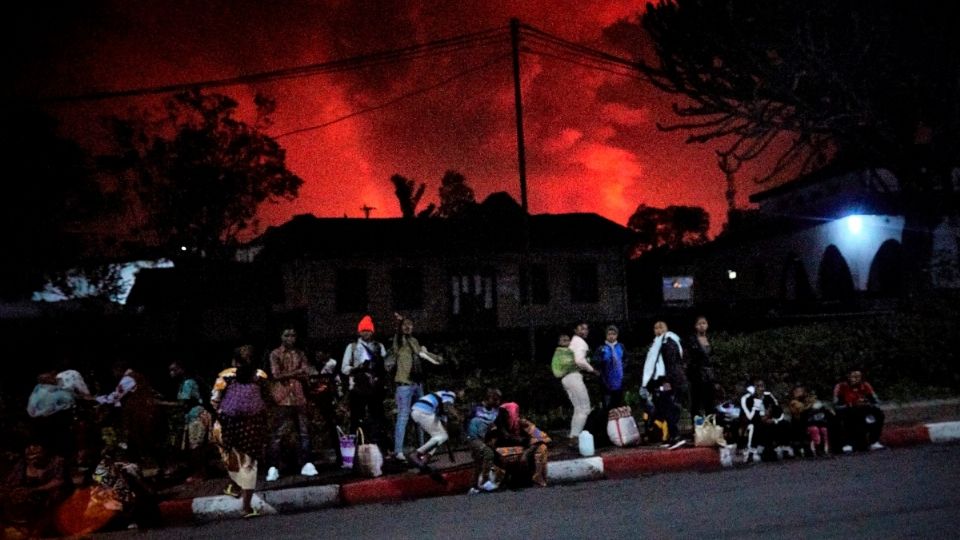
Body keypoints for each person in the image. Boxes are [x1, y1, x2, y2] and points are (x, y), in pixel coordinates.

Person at [212, 349, 270, 518]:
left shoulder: (225, 376)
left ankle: (234, 485)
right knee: (249, 465)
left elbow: (214, 399)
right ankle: (246, 506)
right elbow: (268, 397)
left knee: (232, 456)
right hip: (252, 424)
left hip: (229, 423)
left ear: (234, 362)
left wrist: (222, 415)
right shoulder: (260, 376)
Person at [266, 328, 317, 481]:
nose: (290, 338)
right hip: (282, 397)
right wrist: (296, 373)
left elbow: (306, 371)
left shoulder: (300, 353)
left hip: (299, 397)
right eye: (286, 335)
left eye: (293, 335)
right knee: (278, 434)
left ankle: (307, 463)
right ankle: (273, 467)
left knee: (304, 432)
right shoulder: (275, 354)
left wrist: (293, 374)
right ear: (281, 337)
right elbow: (276, 375)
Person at [94, 362, 160, 467]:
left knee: (139, 437)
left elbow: (116, 396)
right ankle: (141, 462)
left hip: (138, 412)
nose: (114, 375)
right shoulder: (138, 376)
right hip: (145, 410)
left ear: (119, 369)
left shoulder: (128, 379)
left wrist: (99, 400)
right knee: (140, 437)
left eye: (114, 372)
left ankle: (151, 462)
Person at [0, 441, 70, 538]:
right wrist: (14, 490)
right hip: (29, 497)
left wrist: (33, 490)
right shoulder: (22, 463)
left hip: (49, 496)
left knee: (55, 498)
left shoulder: (57, 461)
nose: (32, 449)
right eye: (29, 447)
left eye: (36, 447)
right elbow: (11, 481)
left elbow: (59, 481)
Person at [341, 315, 388, 448]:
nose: (365, 333)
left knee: (378, 418)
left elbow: (385, 366)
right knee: (356, 419)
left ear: (372, 332)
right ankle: (355, 448)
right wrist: (357, 369)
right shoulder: (352, 347)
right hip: (357, 388)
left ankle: (379, 447)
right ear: (359, 332)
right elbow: (344, 368)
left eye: (368, 330)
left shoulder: (379, 346)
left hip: (375, 388)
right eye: (363, 330)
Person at [161, 361, 212, 481]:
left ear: (182, 369)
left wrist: (160, 403)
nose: (171, 373)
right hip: (194, 416)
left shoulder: (188, 383)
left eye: (174, 370)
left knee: (196, 448)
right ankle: (201, 471)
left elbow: (182, 403)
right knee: (196, 447)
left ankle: (201, 473)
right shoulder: (185, 383)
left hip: (196, 416)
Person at [641, 321, 687, 448]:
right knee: (662, 406)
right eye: (655, 327)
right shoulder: (657, 343)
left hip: (668, 381)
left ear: (666, 328)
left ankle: (675, 436)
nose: (658, 330)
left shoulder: (668, 342)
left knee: (668, 405)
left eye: (661, 327)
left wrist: (667, 381)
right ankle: (669, 437)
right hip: (661, 380)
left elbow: (671, 364)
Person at [388, 313, 425, 461]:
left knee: (421, 417)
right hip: (404, 384)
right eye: (405, 325)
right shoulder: (399, 341)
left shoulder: (415, 341)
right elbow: (397, 334)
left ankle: (422, 449)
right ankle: (398, 451)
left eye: (410, 324)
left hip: (418, 383)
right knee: (403, 417)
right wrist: (399, 323)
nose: (407, 327)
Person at [305, 348, 343, 466]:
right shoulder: (309, 368)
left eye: (321, 352)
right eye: (317, 353)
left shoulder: (332, 366)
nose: (319, 355)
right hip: (313, 401)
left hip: (328, 401)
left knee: (332, 427)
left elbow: (338, 383)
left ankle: (339, 456)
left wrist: (338, 398)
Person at [739, 379, 791, 462]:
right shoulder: (746, 398)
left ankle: (785, 450)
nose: (761, 389)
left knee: (784, 423)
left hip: (768, 420)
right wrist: (757, 403)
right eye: (758, 386)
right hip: (753, 422)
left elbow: (778, 410)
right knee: (754, 427)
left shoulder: (768, 395)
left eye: (762, 386)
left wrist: (774, 420)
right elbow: (749, 417)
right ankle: (750, 453)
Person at [833, 369, 885, 452]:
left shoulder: (865, 385)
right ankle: (847, 443)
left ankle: (874, 441)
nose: (857, 379)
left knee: (879, 414)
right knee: (845, 418)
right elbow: (836, 404)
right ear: (848, 377)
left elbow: (876, 401)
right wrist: (851, 404)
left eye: (858, 377)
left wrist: (867, 403)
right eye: (854, 377)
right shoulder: (841, 386)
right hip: (848, 410)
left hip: (864, 409)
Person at [406, 390, 460, 468]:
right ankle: (416, 454)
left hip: (419, 412)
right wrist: (458, 416)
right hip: (424, 411)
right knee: (442, 436)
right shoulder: (450, 394)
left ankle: (425, 459)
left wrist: (450, 453)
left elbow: (444, 426)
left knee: (439, 437)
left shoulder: (442, 407)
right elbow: (448, 406)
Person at [564, 322, 596, 444]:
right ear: (575, 330)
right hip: (573, 377)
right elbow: (579, 361)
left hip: (567, 378)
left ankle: (573, 436)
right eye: (581, 328)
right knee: (585, 408)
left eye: (586, 328)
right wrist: (592, 370)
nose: (585, 331)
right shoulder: (581, 343)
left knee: (578, 408)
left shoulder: (573, 342)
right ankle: (575, 437)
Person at [464, 388, 502, 491]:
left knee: (478, 463)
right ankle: (485, 481)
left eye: (498, 399)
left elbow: (493, 427)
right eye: (494, 399)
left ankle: (473, 487)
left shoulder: (496, 411)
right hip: (472, 437)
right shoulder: (475, 408)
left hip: (483, 438)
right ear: (488, 398)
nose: (496, 402)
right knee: (488, 453)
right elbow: (464, 421)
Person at [686, 316, 719, 419]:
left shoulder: (711, 339)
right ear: (695, 326)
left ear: (707, 325)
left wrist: (716, 378)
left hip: (710, 375)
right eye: (699, 324)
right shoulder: (692, 340)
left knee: (710, 401)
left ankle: (710, 425)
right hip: (697, 375)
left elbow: (714, 359)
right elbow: (689, 358)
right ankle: (697, 426)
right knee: (696, 402)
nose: (702, 326)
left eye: (704, 323)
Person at [787, 384, 833, 457]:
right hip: (801, 424)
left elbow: (817, 405)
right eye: (796, 392)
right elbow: (801, 409)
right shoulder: (793, 402)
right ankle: (815, 449)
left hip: (814, 421)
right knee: (814, 430)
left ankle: (824, 448)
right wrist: (811, 406)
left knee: (824, 429)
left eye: (801, 391)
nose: (799, 393)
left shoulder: (809, 399)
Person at [596, 325, 625, 411]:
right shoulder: (601, 348)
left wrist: (622, 367)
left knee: (618, 406)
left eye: (613, 334)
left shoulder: (621, 347)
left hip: (619, 381)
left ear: (617, 335)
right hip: (606, 382)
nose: (611, 336)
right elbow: (596, 362)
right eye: (609, 334)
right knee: (607, 407)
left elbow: (626, 359)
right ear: (606, 335)